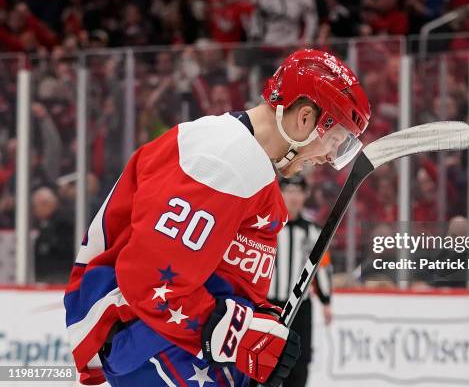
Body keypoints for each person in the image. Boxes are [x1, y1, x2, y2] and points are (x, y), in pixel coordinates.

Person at [63, 49, 371, 387]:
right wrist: (237, 336)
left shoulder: (243, 160)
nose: (329, 156)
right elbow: (151, 281)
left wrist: (255, 326)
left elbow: (216, 272)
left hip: (177, 346)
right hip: (156, 344)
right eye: (335, 141)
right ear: (306, 118)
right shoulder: (224, 158)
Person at [268, 175, 333, 387]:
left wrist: (325, 301)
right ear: (280, 193)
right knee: (264, 358)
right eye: (289, 191)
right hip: (268, 304)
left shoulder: (312, 231)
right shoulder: (268, 225)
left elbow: (321, 268)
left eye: (298, 192)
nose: (293, 197)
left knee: (299, 360)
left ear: (305, 196)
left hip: (300, 306)